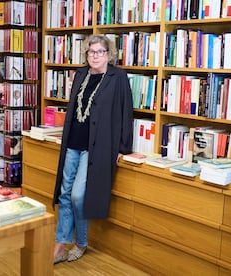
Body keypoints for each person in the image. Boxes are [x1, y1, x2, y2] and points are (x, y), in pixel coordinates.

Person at [52, 34, 134, 264]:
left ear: (109, 55)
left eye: (100, 52)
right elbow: (72, 109)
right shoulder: (80, 74)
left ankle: (81, 242)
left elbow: (126, 113)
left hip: (96, 147)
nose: (95, 56)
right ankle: (60, 245)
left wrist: (123, 148)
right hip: (72, 143)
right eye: (91, 52)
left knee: (78, 195)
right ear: (86, 54)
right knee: (64, 194)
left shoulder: (118, 77)